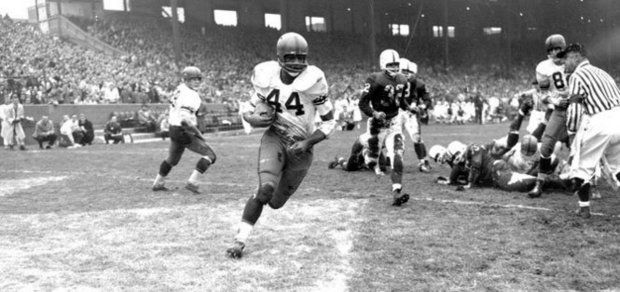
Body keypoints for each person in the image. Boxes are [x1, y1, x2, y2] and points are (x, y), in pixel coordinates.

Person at [226, 32, 336, 259]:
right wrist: (252, 118)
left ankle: (262, 208)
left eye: (301, 57)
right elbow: (248, 108)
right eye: (290, 57)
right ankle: (240, 241)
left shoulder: (314, 81)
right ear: (279, 58)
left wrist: (307, 142)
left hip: (300, 147)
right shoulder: (267, 78)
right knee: (264, 189)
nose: (296, 62)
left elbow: (330, 121)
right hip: (274, 136)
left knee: (275, 202)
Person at [561, 43, 620, 218]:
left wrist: (572, 133)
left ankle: (584, 208)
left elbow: (575, 109)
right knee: (617, 168)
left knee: (581, 166)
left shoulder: (577, 76)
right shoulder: (603, 72)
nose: (564, 63)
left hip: (600, 121)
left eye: (566, 59)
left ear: (576, 56)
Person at [152, 66, 217, 195]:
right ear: (186, 80)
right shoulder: (190, 94)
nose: (197, 81)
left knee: (172, 159)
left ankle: (158, 183)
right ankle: (192, 182)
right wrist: (197, 133)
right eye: (193, 79)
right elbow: (184, 119)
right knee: (210, 155)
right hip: (183, 129)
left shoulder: (180, 89)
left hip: (173, 128)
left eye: (198, 79)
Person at [358, 49, 411, 206]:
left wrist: (410, 108)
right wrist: (374, 113)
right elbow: (362, 103)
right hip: (378, 126)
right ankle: (346, 161)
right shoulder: (375, 79)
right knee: (372, 162)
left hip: (394, 123)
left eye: (396, 64)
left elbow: (400, 101)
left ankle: (396, 192)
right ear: (383, 64)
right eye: (390, 64)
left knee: (397, 157)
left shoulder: (402, 79)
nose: (394, 68)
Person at [527, 34, 571, 198]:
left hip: (579, 108)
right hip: (559, 109)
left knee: (582, 144)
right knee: (546, 145)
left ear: (563, 48)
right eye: (551, 50)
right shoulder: (544, 67)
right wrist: (556, 101)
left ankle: (591, 183)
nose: (554, 53)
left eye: (557, 48)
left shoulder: (574, 62)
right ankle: (540, 183)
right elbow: (543, 95)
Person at [399, 58, 432, 172]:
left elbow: (425, 99)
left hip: (410, 112)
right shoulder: (393, 80)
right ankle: (391, 159)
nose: (408, 74)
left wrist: (419, 107)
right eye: (405, 71)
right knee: (395, 138)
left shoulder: (417, 83)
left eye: (410, 72)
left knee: (416, 138)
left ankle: (423, 161)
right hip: (397, 112)